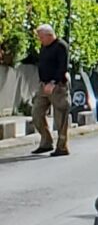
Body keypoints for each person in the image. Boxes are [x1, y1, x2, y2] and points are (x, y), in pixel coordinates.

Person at [28, 22, 70, 158]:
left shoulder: (61, 46)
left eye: (41, 37)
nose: (40, 40)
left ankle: (62, 147)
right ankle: (46, 142)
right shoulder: (44, 47)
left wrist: (53, 83)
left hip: (57, 86)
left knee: (60, 118)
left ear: (49, 35)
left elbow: (62, 66)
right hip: (43, 85)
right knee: (36, 113)